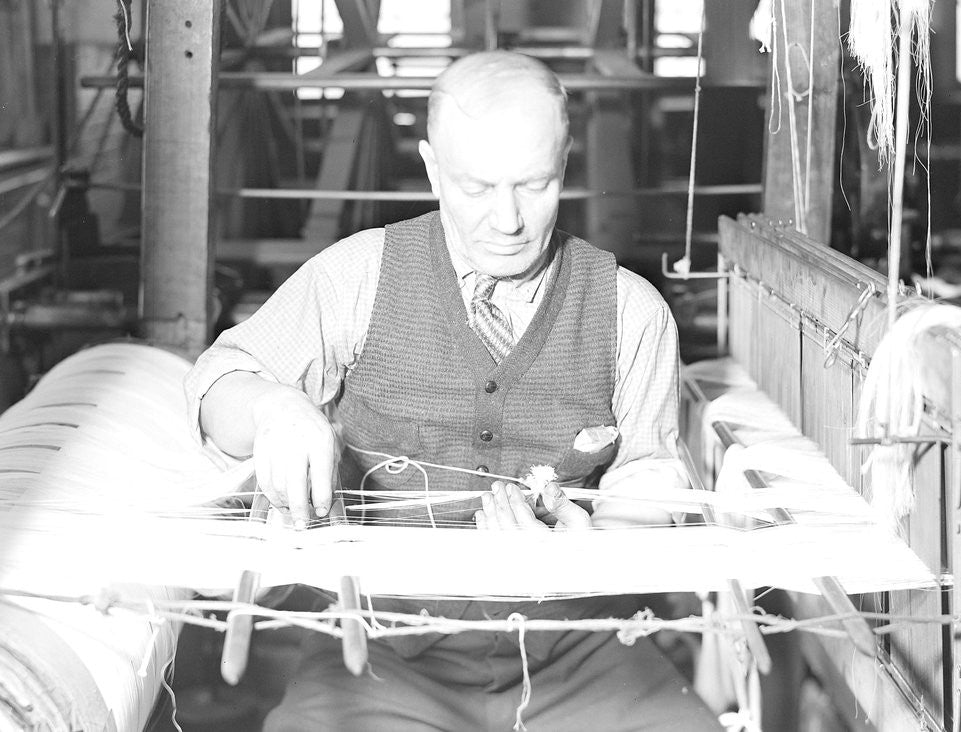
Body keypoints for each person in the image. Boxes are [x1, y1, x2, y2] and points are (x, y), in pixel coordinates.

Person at [185, 50, 721, 731]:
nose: (508, 220)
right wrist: (272, 408)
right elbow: (213, 386)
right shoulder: (359, 276)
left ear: (566, 164)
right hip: (384, 654)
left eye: (535, 184)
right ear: (433, 168)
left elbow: (650, 479)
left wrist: (592, 551)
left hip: (578, 651)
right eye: (476, 188)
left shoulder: (632, 313)